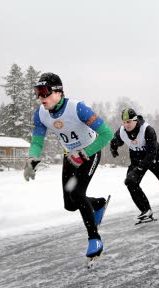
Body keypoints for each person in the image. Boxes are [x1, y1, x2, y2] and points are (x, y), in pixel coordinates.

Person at [23, 72, 114, 262]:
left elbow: (107, 134)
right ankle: (98, 203)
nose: (41, 98)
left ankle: (94, 239)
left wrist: (85, 153)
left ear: (58, 92)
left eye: (45, 92)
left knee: (78, 193)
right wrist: (32, 157)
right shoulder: (41, 114)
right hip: (69, 155)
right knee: (70, 204)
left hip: (90, 151)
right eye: (37, 93)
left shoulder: (78, 109)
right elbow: (38, 140)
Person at [110, 108, 159, 223]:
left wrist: (139, 169)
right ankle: (146, 210)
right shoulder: (121, 131)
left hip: (155, 159)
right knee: (130, 181)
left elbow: (151, 155)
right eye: (124, 122)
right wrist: (113, 147)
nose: (126, 125)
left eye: (128, 122)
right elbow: (116, 140)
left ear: (135, 120)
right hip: (137, 159)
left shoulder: (147, 130)